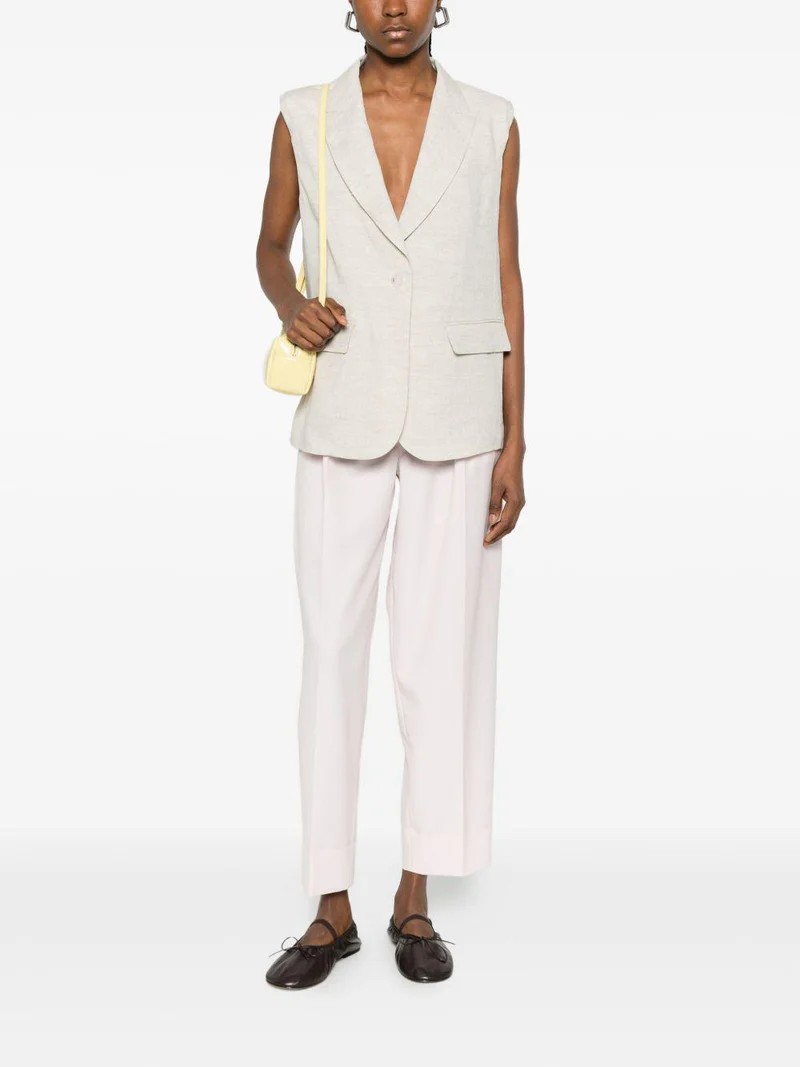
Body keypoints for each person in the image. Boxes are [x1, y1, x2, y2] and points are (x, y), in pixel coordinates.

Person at [256, 0, 525, 988]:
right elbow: (269, 243)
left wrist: (515, 438)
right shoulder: (304, 111)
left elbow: (505, 273)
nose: (395, 8)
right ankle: (329, 905)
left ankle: (415, 894)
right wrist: (291, 302)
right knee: (331, 651)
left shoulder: (491, 120)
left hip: (460, 410)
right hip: (345, 401)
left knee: (438, 657)